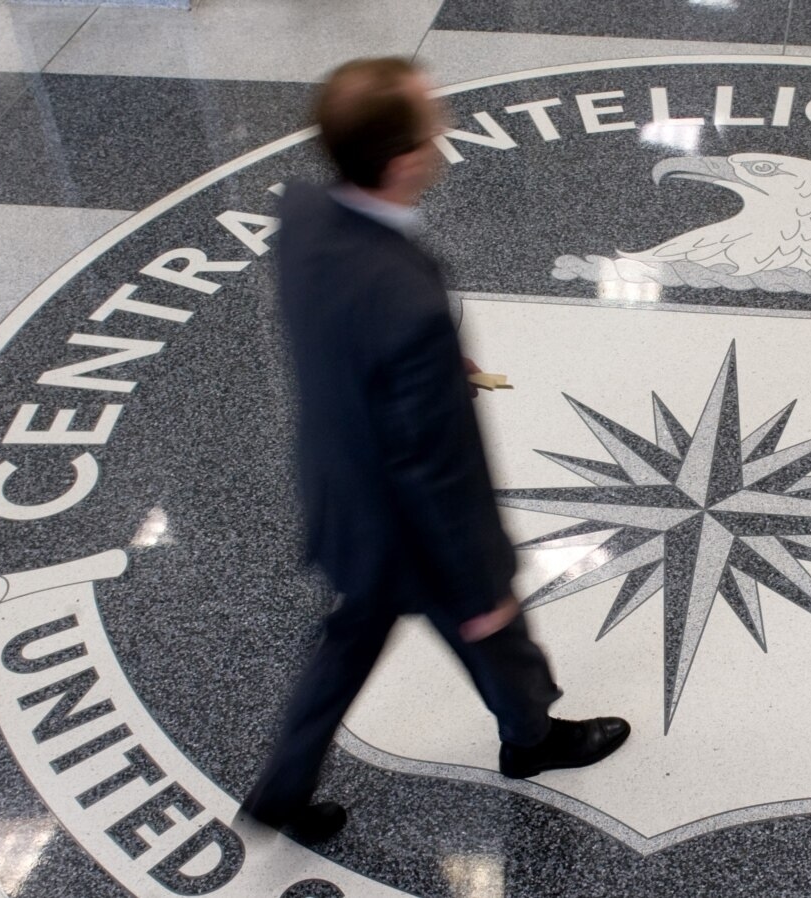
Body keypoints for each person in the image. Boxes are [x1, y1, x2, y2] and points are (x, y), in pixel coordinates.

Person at [241, 57, 629, 846]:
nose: (443, 135)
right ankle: (532, 741)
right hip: (410, 526)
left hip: (339, 490)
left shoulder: (307, 212)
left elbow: (343, 326)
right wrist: (478, 576)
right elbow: (433, 467)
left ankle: (281, 788)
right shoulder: (407, 306)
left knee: (348, 643)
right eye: (430, 125)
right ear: (402, 161)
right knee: (496, 629)